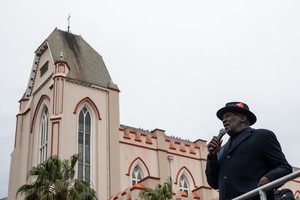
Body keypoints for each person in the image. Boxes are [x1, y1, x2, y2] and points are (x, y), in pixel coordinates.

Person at [205, 102, 292, 200]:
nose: (224, 120)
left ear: (243, 118)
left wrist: (269, 178)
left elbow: (284, 167)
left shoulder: (261, 136)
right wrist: (212, 157)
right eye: (223, 118)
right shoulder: (221, 150)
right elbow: (214, 183)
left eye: (228, 116)